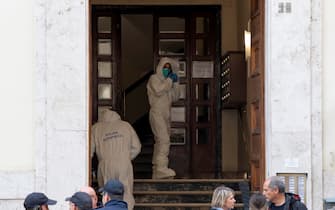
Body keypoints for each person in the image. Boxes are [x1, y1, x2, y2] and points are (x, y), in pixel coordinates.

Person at [91, 109, 142, 210]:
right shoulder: (126, 126)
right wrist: (125, 158)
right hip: (124, 164)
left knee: (107, 193)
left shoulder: (95, 128)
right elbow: (137, 147)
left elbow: (89, 152)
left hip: (105, 165)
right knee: (126, 192)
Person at [147, 57, 180, 179]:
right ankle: (161, 168)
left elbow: (175, 97)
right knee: (164, 140)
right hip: (157, 113)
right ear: (160, 67)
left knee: (161, 141)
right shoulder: (154, 79)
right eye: (165, 67)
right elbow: (158, 90)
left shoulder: (168, 82)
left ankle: (157, 168)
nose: (167, 70)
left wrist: (176, 83)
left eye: (169, 68)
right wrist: (170, 81)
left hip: (166, 114)